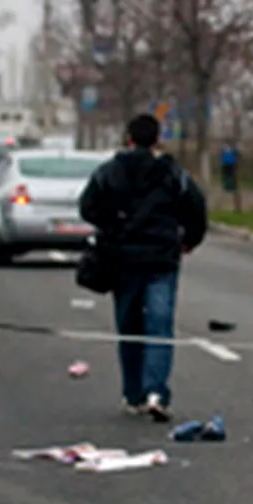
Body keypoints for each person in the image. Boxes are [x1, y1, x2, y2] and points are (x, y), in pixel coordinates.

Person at [79, 114, 208, 422]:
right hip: (161, 259)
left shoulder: (109, 172)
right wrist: (188, 240)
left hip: (123, 260)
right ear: (157, 139)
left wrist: (113, 226)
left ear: (129, 138)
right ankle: (156, 392)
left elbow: (88, 207)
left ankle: (133, 393)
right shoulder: (172, 173)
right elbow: (196, 207)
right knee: (160, 326)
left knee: (129, 327)